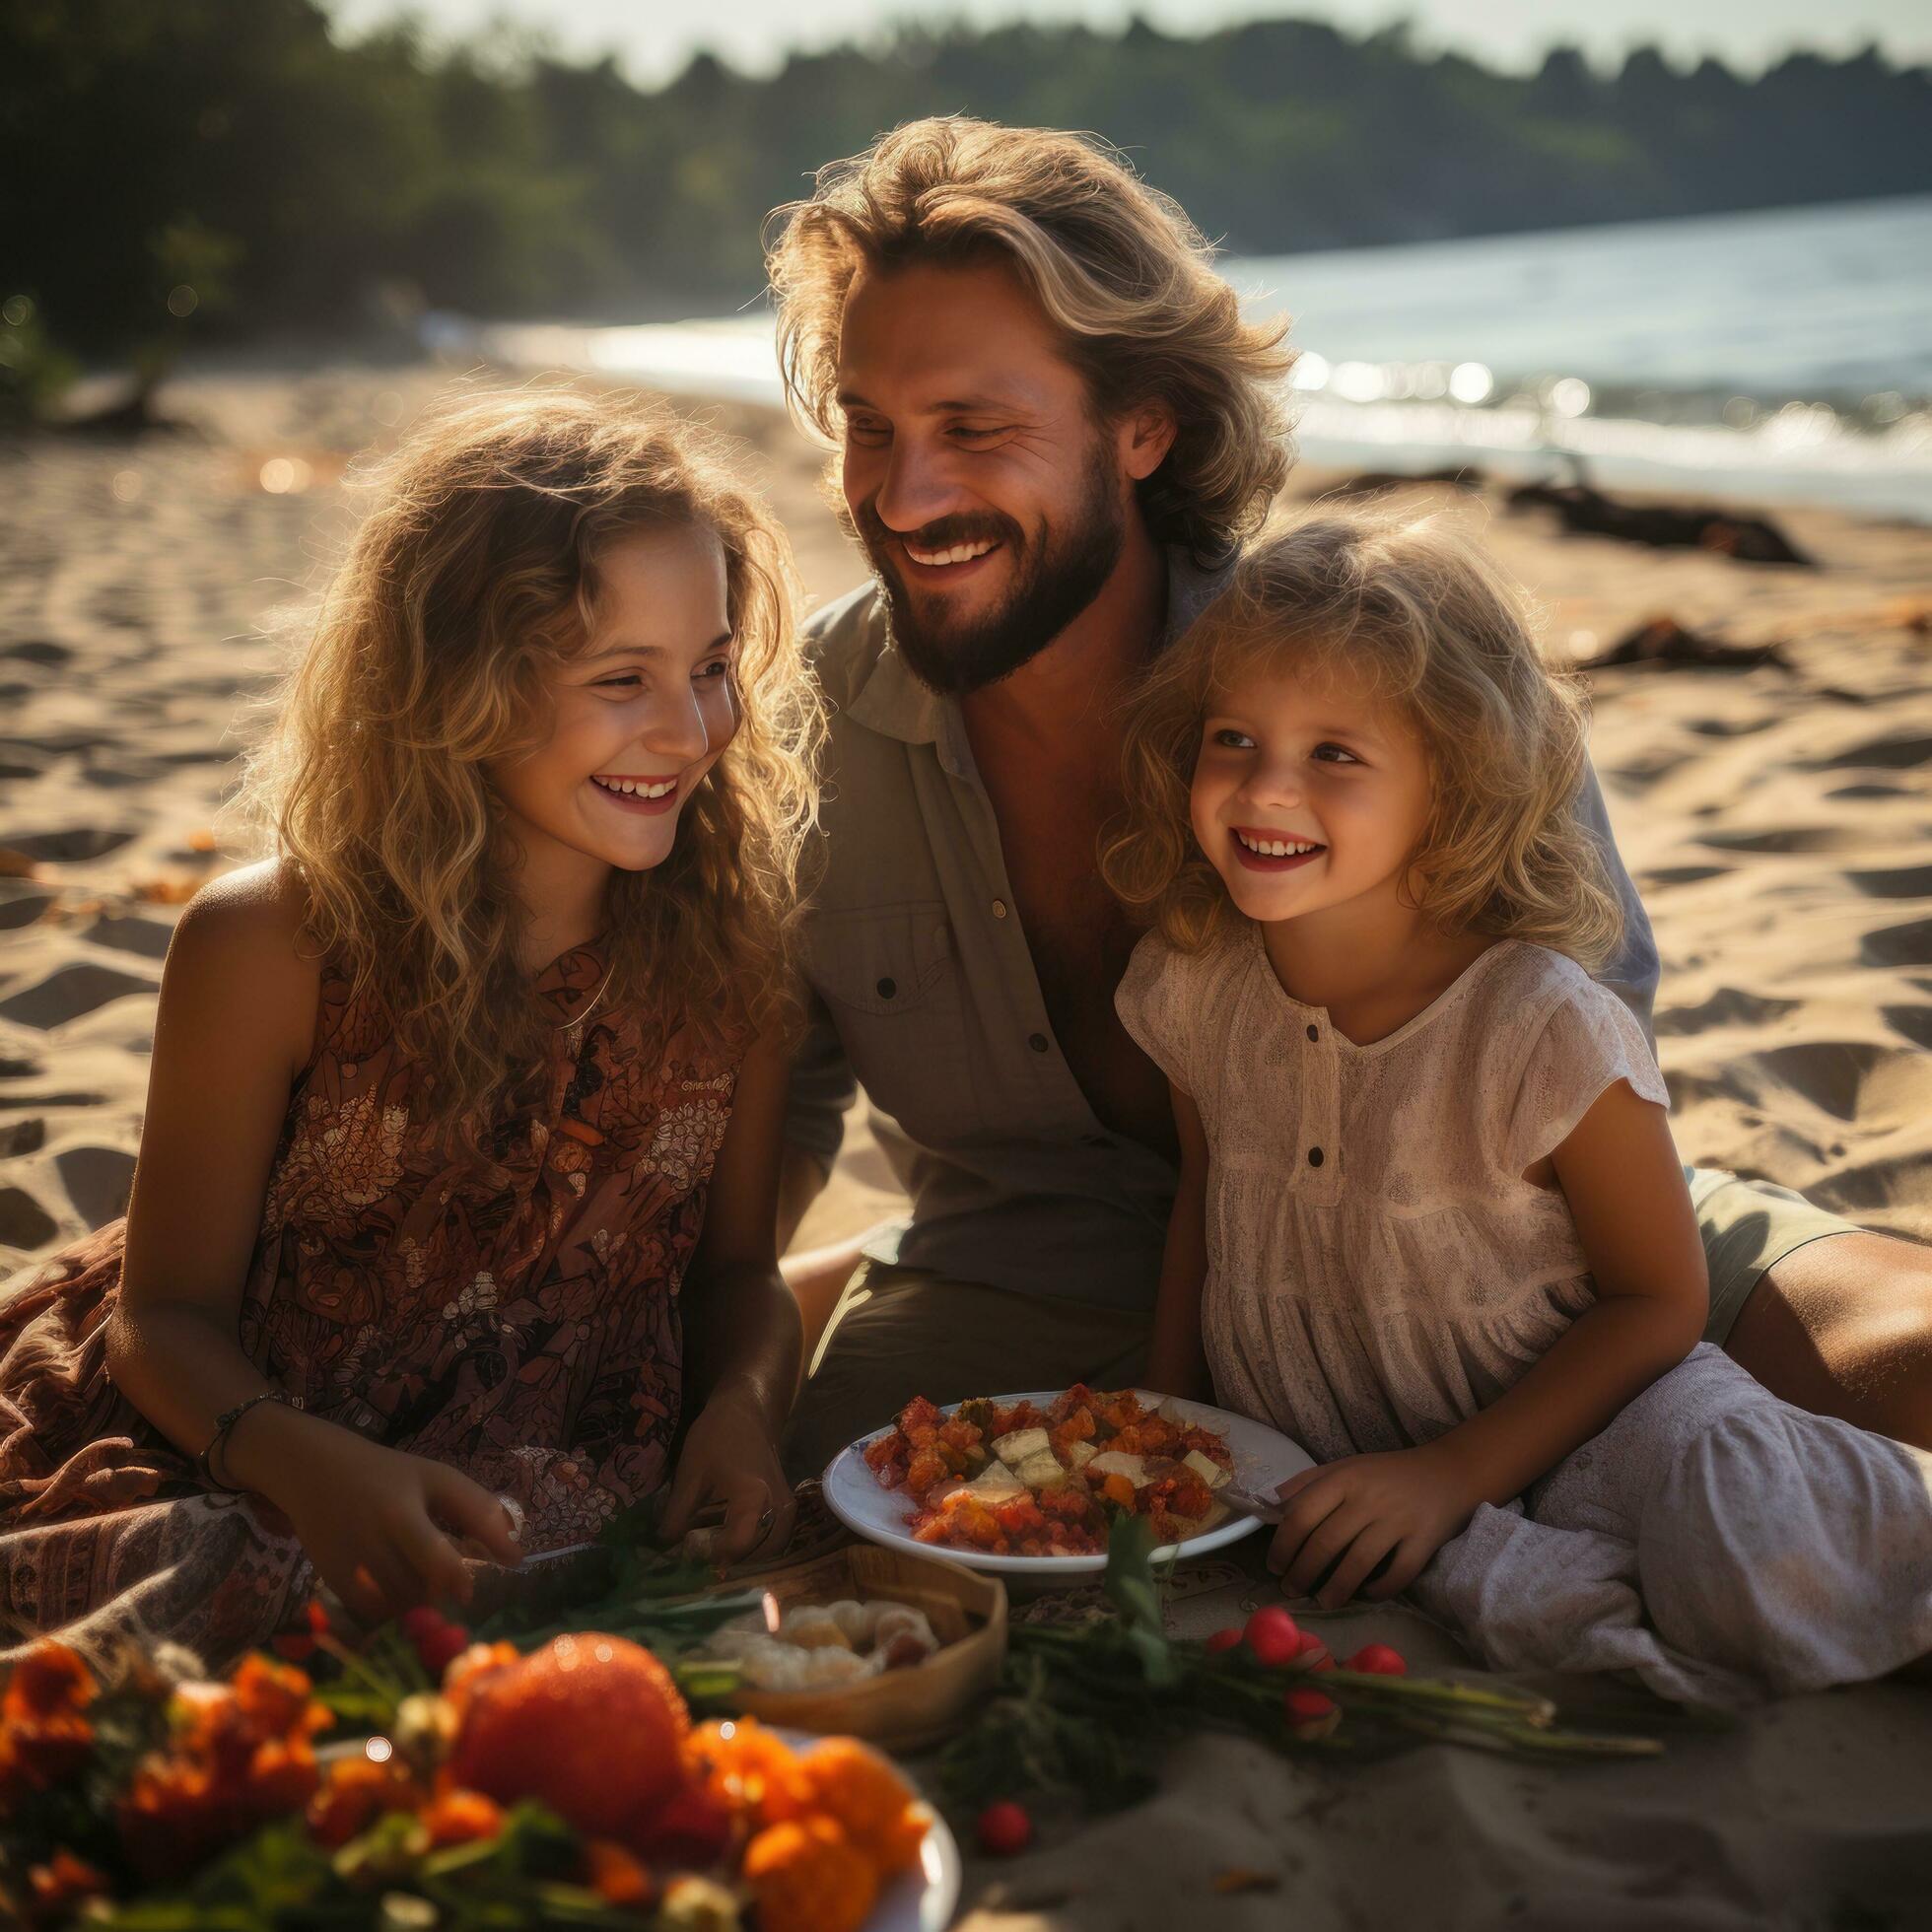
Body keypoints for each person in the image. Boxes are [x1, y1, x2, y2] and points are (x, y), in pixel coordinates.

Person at [764, 114, 1932, 1476]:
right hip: (1021, 1275)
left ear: (1143, 428)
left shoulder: (1370, 665)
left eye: (972, 427)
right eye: (867, 424)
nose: (903, 495)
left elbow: (1587, 1001)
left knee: (1901, 1351)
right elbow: (773, 1107)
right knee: (832, 1513)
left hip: (1475, 1241)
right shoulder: (801, 732)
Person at [0, 390, 818, 1664]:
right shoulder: (266, 947)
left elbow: (734, 1276)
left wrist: (743, 1410)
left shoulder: (731, 945)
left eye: (711, 668)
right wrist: (313, 1470)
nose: (687, 729)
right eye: (621, 680)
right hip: (255, 1439)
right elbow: (159, 1326)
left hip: (571, 1469)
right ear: (463, 687)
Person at [1099, 508, 1930, 1702]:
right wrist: (1167, 1425)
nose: (1265, 787)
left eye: (1336, 753)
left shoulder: (1538, 1026)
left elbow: (1660, 1302)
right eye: (1233, 737)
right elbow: (1206, 1207)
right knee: (1518, 1596)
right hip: (1328, 1445)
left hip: (1598, 1430)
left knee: (1738, 1538)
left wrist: (1450, 1472)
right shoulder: (1189, 985)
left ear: (1454, 783)